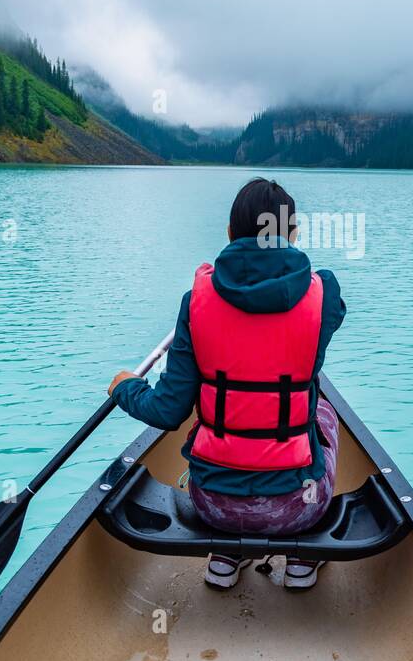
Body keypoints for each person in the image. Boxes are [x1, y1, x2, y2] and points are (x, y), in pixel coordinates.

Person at [107, 178, 347, 590]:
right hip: (298, 507)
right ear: (292, 235)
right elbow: (330, 307)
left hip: (212, 506)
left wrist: (123, 387)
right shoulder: (323, 294)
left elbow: (167, 411)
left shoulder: (195, 302)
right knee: (323, 411)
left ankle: (226, 554)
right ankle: (303, 558)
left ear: (229, 234)